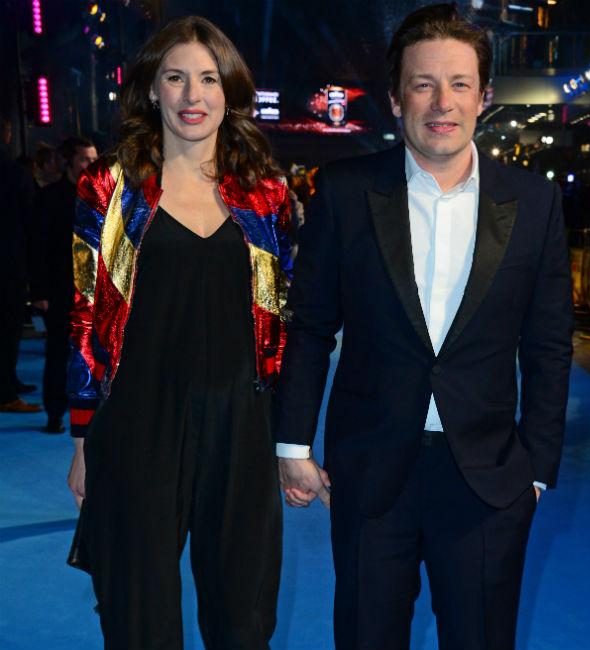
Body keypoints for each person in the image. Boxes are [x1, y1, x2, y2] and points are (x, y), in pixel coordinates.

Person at [274, 5, 574, 650]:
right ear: (395, 98)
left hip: (488, 477)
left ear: (484, 97)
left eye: (460, 83)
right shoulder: (345, 191)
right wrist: (293, 444)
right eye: (423, 84)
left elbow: (548, 344)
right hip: (370, 469)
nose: (442, 102)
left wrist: (537, 469)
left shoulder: (534, 202)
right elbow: (310, 324)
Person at [65, 16, 292, 649]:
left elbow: (284, 315)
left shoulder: (265, 194)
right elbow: (84, 311)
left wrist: (287, 435)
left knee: (243, 615)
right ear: (151, 90)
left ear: (230, 91)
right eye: (176, 78)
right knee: (137, 612)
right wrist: (83, 436)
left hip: (241, 421)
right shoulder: (109, 188)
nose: (193, 95)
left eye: (208, 79)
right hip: (137, 421)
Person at [31, 136, 98, 433]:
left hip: (96, 288)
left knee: (96, 352)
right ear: (69, 161)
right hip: (60, 288)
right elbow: (37, 247)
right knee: (59, 351)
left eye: (94, 159)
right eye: (85, 159)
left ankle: (94, 411)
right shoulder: (49, 198)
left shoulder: (104, 196)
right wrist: (39, 291)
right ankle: (55, 412)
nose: (91, 164)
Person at [0, 114, 41, 413]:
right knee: (8, 327)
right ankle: (6, 391)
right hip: (10, 261)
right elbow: (30, 222)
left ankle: (8, 382)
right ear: (7, 134)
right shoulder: (14, 173)